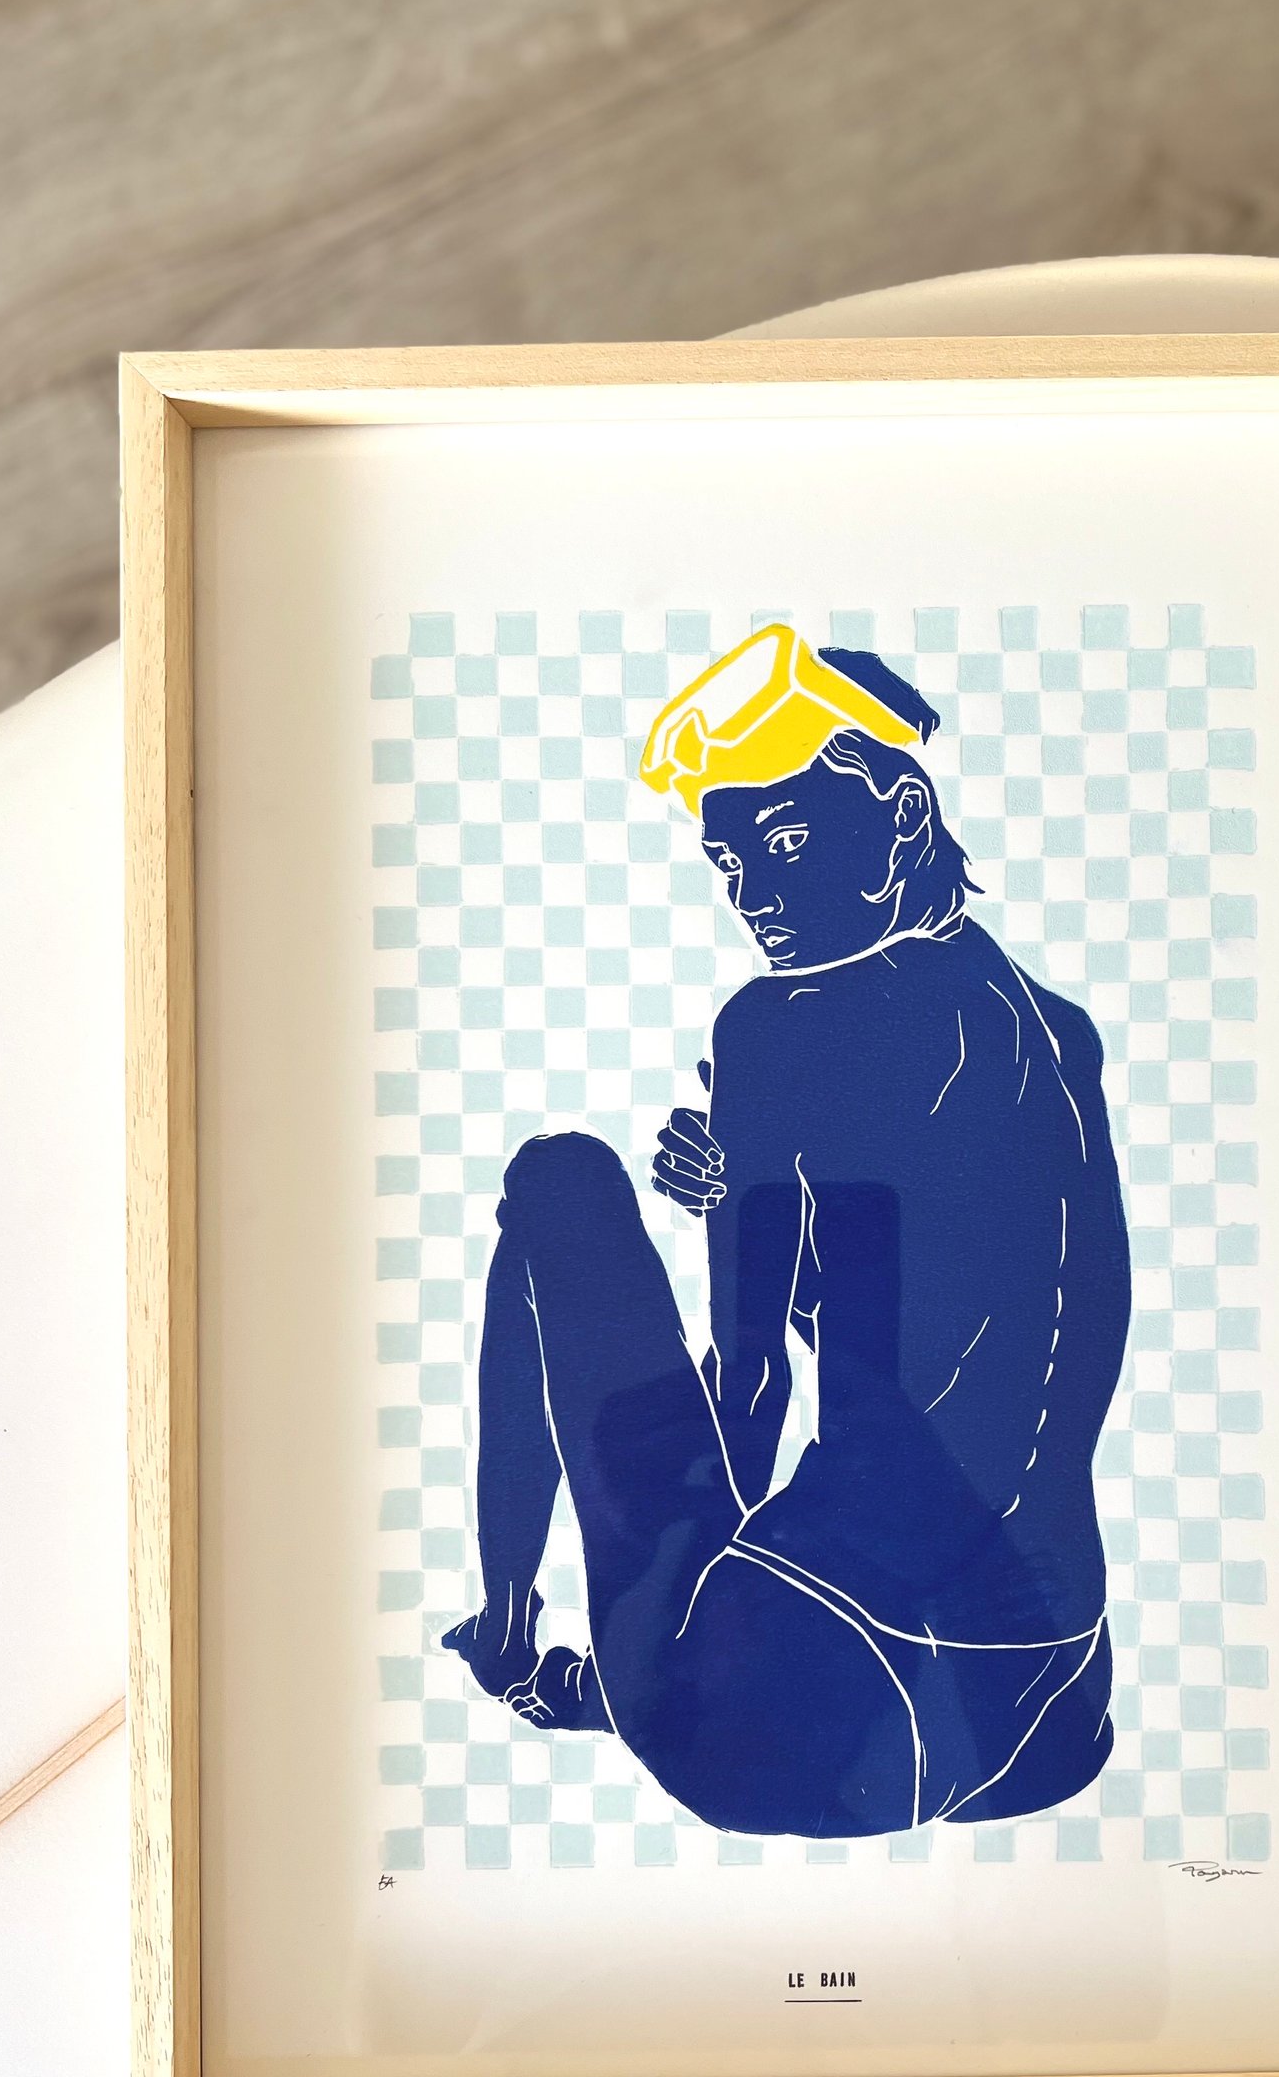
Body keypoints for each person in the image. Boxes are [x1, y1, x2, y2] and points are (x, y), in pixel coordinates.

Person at [442, 623, 1130, 1839]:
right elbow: (965, 1342)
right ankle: (660, 1656)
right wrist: (755, 1204)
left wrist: (673, 1646)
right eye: (728, 861)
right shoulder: (1058, 1029)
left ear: (903, 817)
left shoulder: (777, 1026)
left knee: (559, 1179)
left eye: (790, 840)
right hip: (1050, 1701)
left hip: (810, 1719)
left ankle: (503, 1628)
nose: (754, 894)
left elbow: (750, 1383)